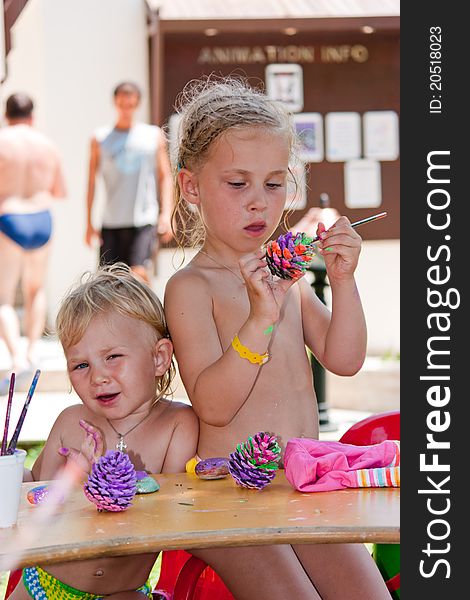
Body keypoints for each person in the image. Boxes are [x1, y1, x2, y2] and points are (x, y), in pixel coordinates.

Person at [164, 77, 390, 600]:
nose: (258, 204)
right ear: (192, 187)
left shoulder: (281, 273)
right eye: (237, 184)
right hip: (231, 495)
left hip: (304, 482)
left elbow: (345, 359)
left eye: (273, 184)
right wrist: (261, 318)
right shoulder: (190, 287)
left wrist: (343, 280)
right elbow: (215, 406)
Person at [9, 263, 199, 599]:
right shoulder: (71, 423)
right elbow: (33, 495)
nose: (98, 376)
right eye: (80, 365)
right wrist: (11, 472)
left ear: (159, 358)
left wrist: (105, 484)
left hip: (122, 591)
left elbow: (171, 517)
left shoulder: (177, 426)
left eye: (113, 356)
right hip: (44, 585)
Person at [0, 93, 66, 394]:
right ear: (32, 116)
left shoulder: (3, 141)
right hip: (41, 218)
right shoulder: (47, 145)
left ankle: (16, 358)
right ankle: (33, 352)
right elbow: (59, 190)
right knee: (35, 288)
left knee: (3, 297)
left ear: (6, 114)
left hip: (10, 216)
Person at [85, 81, 174, 284]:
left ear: (137, 104)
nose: (126, 109)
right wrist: (89, 222)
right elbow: (91, 182)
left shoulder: (152, 135)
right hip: (111, 221)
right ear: (115, 103)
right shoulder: (100, 139)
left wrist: (166, 214)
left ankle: (149, 315)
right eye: (122, 104)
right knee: (109, 282)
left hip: (143, 219)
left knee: (138, 274)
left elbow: (165, 176)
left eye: (130, 104)